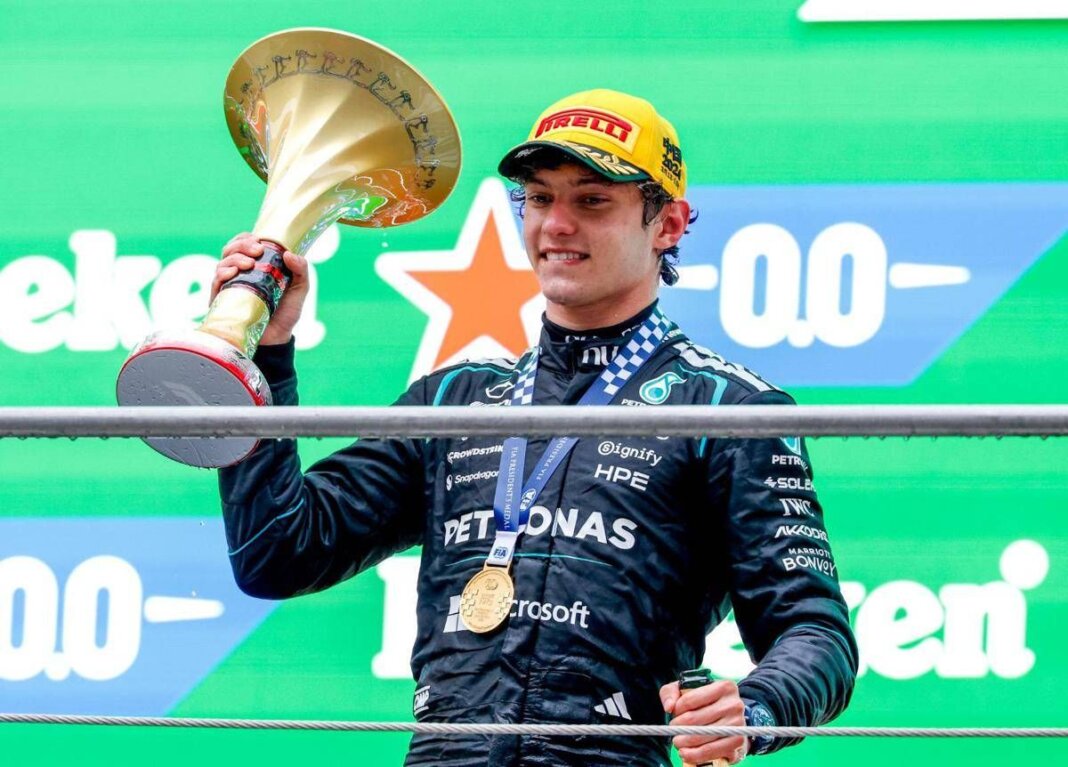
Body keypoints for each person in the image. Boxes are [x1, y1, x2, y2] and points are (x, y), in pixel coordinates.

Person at [214, 88, 857, 767]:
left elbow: (816, 632)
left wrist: (755, 708)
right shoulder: (454, 400)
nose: (556, 224)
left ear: (667, 224)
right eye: (539, 198)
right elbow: (277, 552)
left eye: (592, 200)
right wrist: (263, 352)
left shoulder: (728, 409)